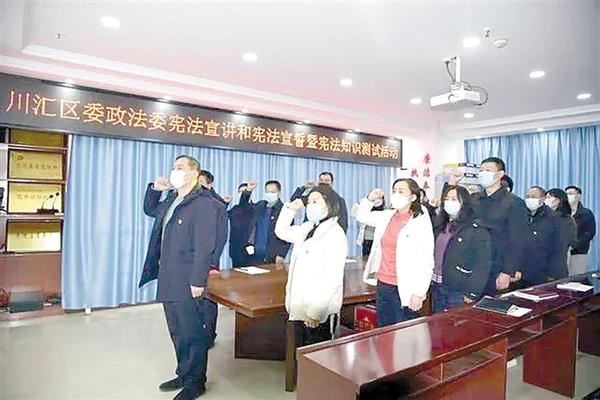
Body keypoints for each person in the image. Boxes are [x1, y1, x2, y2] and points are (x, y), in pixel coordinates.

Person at [139, 155, 227, 400]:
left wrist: (198, 280)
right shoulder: (172, 199)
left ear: (194, 174)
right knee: (176, 330)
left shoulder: (204, 203)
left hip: (188, 279)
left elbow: (205, 245)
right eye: (173, 167)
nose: (174, 171)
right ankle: (184, 373)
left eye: (180, 167)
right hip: (168, 274)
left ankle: (196, 382)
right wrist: (155, 190)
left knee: (192, 333)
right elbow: (150, 210)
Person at [275, 184, 347, 346]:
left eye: (316, 201)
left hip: (317, 313)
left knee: (317, 357)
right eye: (309, 202)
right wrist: (291, 209)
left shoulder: (335, 234)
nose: (310, 205)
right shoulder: (308, 228)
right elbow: (281, 231)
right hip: (300, 305)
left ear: (330, 205)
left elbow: (332, 279)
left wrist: (316, 312)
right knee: (299, 353)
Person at [355, 178, 434, 326]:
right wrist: (370, 199)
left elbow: (426, 260)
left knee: (404, 332)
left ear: (413, 197)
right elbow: (360, 216)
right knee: (384, 329)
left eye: (401, 191)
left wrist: (419, 292)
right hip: (384, 283)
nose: (396, 194)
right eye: (394, 191)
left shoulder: (420, 221)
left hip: (406, 286)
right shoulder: (387, 216)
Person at [458, 157, 529, 293]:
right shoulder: (474, 199)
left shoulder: (514, 203)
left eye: (488, 170)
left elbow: (518, 240)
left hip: (496, 267)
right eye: (481, 170)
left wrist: (507, 271)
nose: (483, 173)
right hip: (472, 264)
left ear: (500, 174)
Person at [431, 185, 493, 312]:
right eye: (447, 199)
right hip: (437, 285)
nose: (449, 202)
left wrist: (472, 292)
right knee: (437, 321)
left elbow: (482, 264)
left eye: (454, 199)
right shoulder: (441, 223)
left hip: (458, 289)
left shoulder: (475, 229)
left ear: (464, 202)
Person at [520, 186, 563, 285]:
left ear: (543, 199)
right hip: (520, 271)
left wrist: (552, 274)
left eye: (533, 197)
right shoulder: (521, 214)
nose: (530, 199)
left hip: (542, 272)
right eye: (528, 196)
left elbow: (558, 248)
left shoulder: (553, 218)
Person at [245, 180, 291, 265]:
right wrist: (248, 191)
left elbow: (288, 235)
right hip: (255, 254)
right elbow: (244, 206)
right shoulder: (260, 206)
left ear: (279, 192)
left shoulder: (285, 210)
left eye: (272, 192)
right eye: (267, 192)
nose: (270, 194)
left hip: (273, 256)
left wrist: (281, 254)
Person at [545, 188, 577, 279]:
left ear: (557, 200)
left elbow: (562, 243)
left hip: (553, 267)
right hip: (550, 267)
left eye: (548, 197)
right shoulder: (546, 217)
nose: (545, 200)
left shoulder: (565, 220)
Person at [565, 185, 597, 275]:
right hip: (562, 253)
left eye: (571, 193)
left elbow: (590, 233)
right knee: (562, 279)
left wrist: (575, 244)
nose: (568, 196)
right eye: (566, 194)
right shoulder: (562, 213)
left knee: (577, 277)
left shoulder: (586, 213)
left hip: (579, 252)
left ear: (579, 196)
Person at [228, 182, 256, 267]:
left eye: (245, 191)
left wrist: (251, 244)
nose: (242, 194)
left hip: (249, 247)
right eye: (240, 192)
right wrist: (225, 203)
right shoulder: (234, 209)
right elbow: (221, 216)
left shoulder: (255, 208)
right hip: (235, 248)